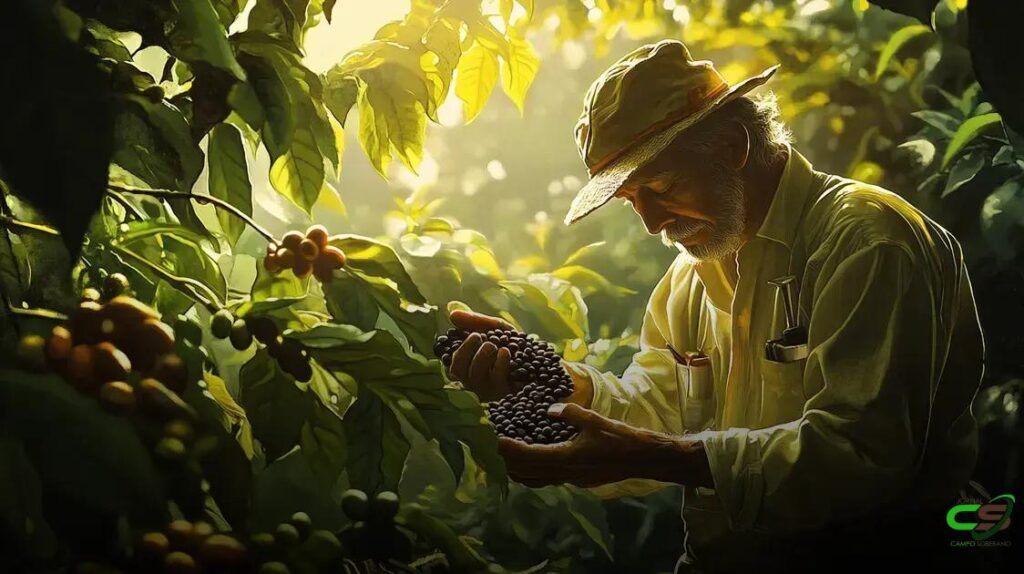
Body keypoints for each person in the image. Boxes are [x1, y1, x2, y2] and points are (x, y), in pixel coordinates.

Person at [445, 40, 989, 572]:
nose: (653, 223)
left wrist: (659, 457)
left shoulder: (866, 241)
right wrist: (555, 387)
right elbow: (658, 412)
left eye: (660, 184)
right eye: (633, 201)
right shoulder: (690, 278)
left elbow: (859, 456)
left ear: (733, 146)